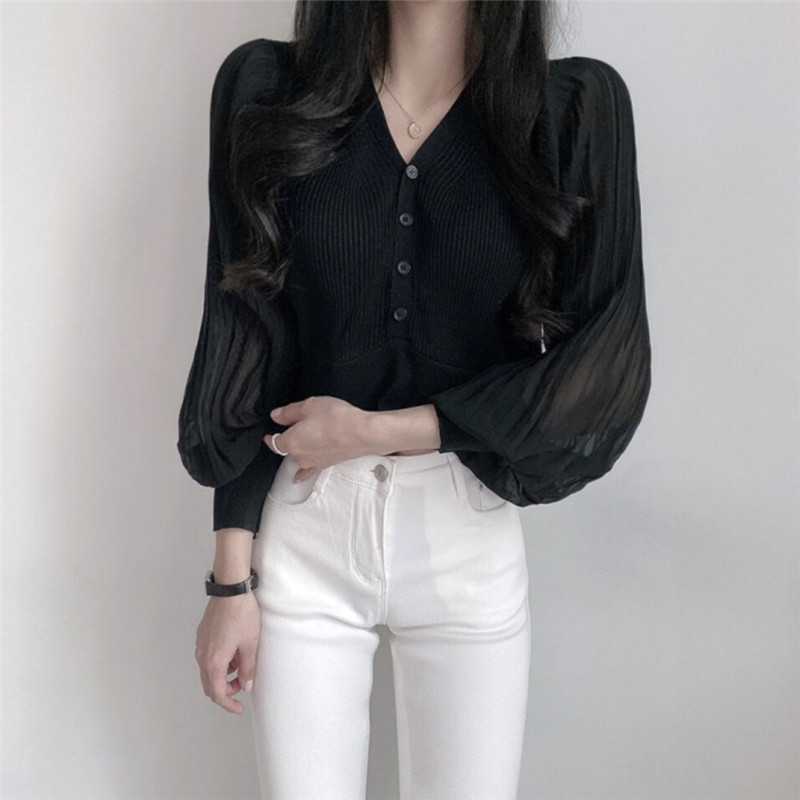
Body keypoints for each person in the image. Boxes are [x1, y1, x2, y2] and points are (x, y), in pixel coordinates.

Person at [177, 1, 651, 798]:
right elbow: (246, 338)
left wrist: (383, 430)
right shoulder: (269, 91)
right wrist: (231, 579)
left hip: (465, 536)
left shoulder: (571, 110)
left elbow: (605, 371)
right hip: (305, 535)